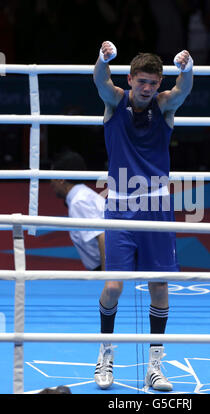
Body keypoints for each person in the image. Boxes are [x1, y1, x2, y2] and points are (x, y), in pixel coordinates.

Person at [93, 40, 193, 391]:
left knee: (159, 286)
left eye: (153, 82)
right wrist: (102, 59)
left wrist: (188, 69)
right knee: (113, 286)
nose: (148, 88)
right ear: (131, 79)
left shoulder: (165, 106)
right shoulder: (115, 102)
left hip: (157, 207)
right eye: (142, 82)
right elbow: (100, 82)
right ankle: (105, 354)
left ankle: (155, 366)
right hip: (120, 205)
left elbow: (182, 91)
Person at [50, 151, 105, 271]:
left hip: (106, 267)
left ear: (61, 179)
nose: (50, 183)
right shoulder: (84, 195)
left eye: (52, 177)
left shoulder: (79, 201)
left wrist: (107, 278)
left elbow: (103, 237)